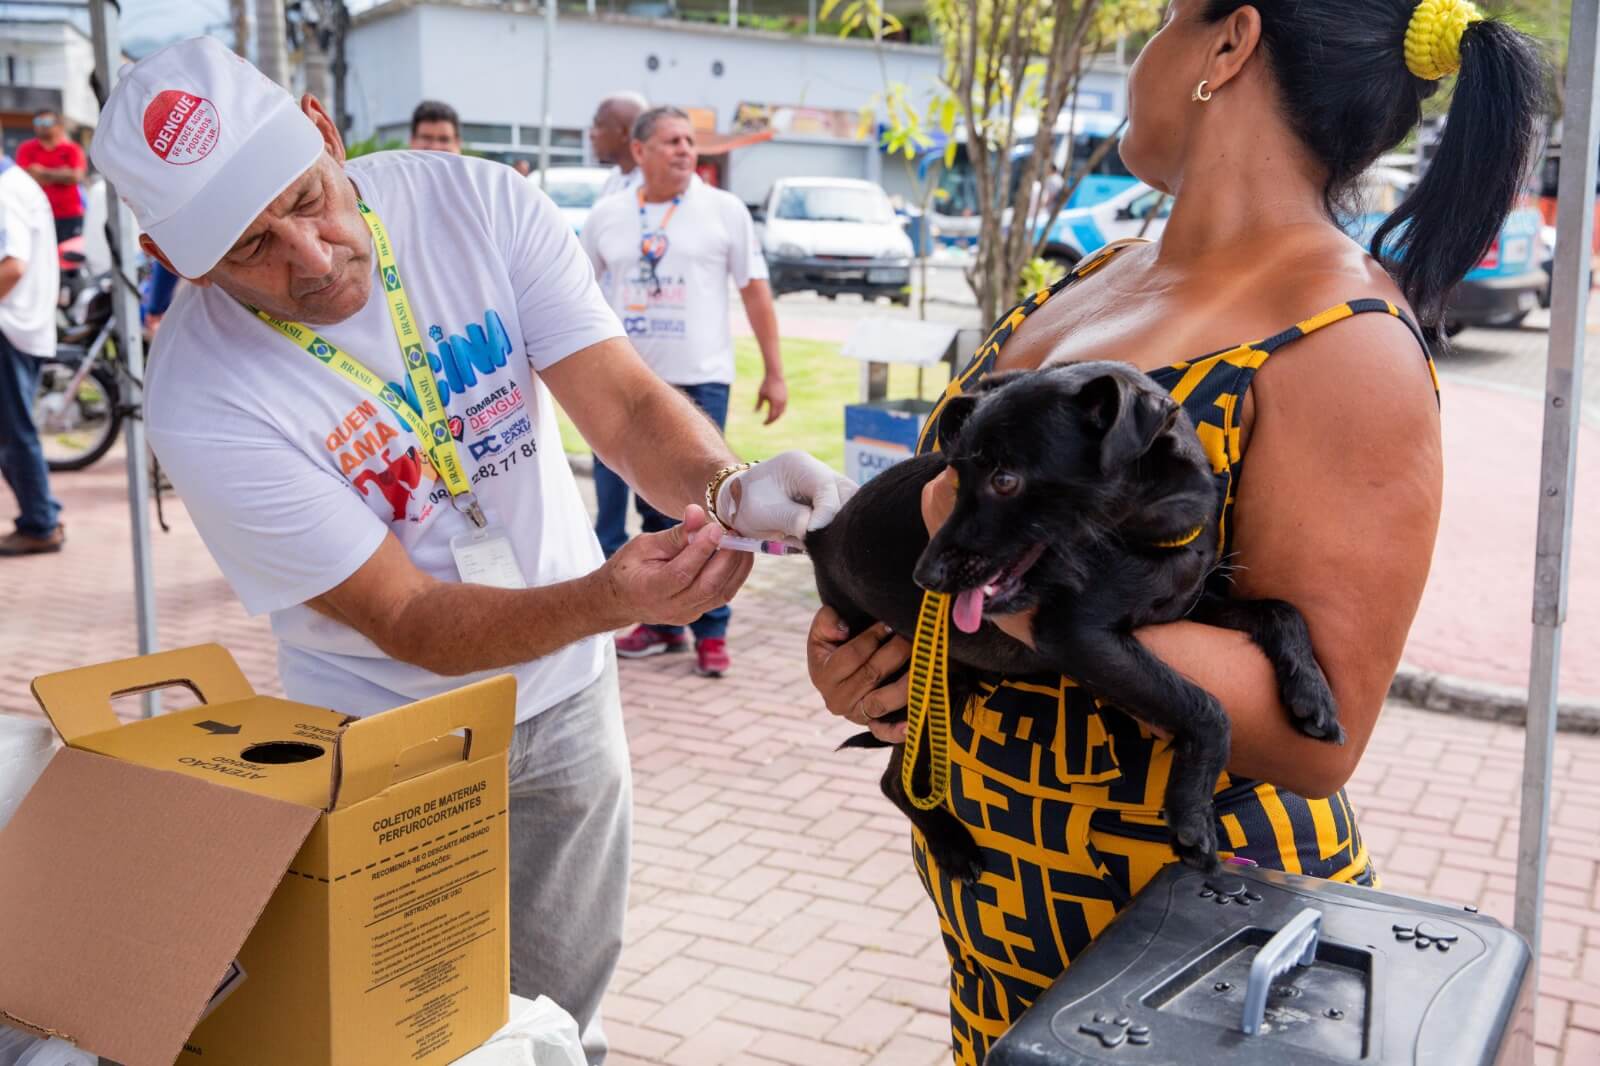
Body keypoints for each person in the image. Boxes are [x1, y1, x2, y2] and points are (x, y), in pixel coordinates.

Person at [90, 39, 852, 1065]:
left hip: (567, 703)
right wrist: (612, 597)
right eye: (250, 247)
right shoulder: (200, 395)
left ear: (322, 129)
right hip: (387, 736)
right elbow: (407, 617)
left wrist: (727, 489)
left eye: (308, 199)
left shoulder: (474, 203)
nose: (310, 258)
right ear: (175, 257)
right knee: (410, 1036)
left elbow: (624, 407)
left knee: (559, 1022)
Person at [806, 0, 1542, 1060]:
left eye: (1157, 19)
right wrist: (884, 652)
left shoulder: (1346, 341)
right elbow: (970, 541)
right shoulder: (1097, 277)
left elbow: (1320, 732)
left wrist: (993, 579)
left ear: (1228, 44)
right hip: (1002, 932)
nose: (1137, 56)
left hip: (1191, 956)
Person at [580, 106, 787, 678]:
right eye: (671, 141)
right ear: (639, 150)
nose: (684, 150)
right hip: (623, 383)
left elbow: (755, 291)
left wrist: (774, 371)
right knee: (635, 511)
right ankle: (659, 623)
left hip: (700, 380)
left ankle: (711, 632)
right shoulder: (607, 215)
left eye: (690, 141)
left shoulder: (724, 211)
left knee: (704, 508)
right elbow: (577, 294)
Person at [0, 145, 63, 556]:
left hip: (10, 327)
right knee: (13, 432)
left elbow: (12, 266)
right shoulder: (16, 183)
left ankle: (40, 523)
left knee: (14, 434)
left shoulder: (4, 191)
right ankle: (40, 517)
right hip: (22, 325)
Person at [16, 110, 87, 244]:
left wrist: (42, 172)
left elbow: (75, 177)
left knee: (69, 254)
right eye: (38, 122)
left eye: (48, 122)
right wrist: (62, 173)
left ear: (59, 126)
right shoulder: (26, 148)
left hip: (69, 215)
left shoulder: (72, 149)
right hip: (36, 214)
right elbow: (24, 178)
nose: (43, 126)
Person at [589, 92, 647, 200]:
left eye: (599, 125)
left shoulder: (654, 186)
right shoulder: (615, 177)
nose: (591, 134)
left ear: (624, 133)